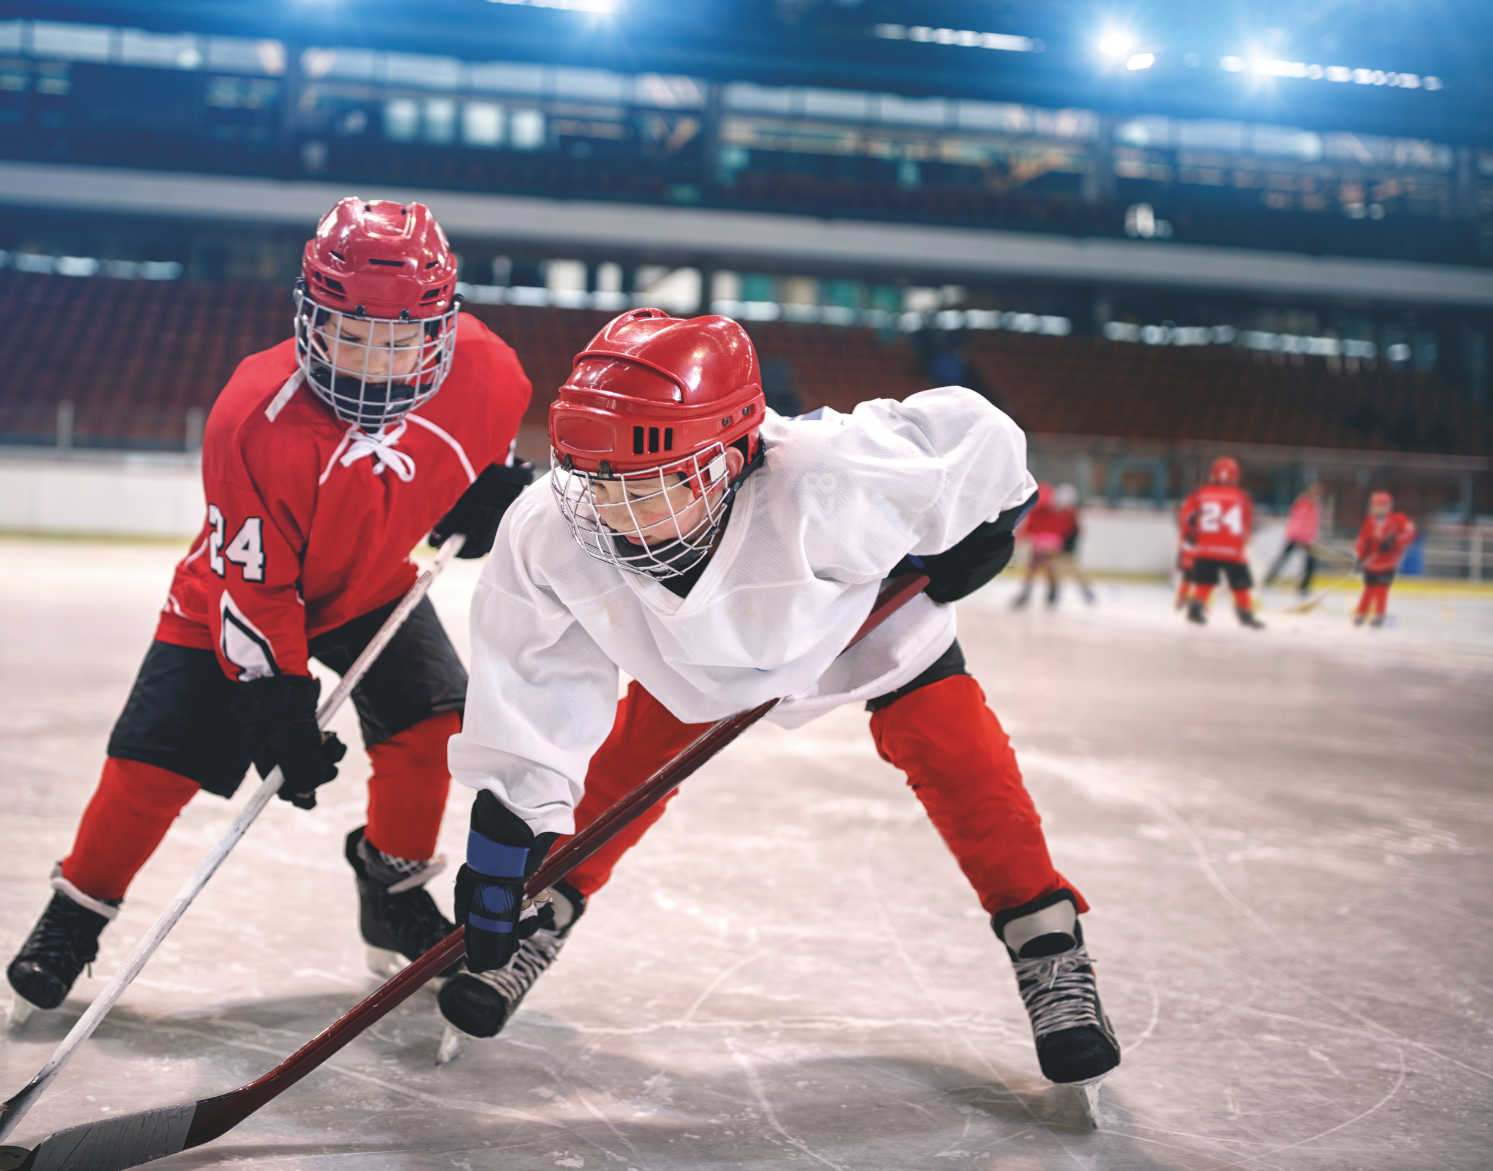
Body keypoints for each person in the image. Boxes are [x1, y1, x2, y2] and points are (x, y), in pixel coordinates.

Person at [440, 310, 1121, 1095]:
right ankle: (545, 913)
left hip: (857, 628)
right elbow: (531, 688)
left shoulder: (834, 475)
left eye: (648, 487)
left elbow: (982, 437)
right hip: (695, 660)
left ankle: (1047, 943)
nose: (614, 515)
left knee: (960, 757)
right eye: (598, 481)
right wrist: (506, 847)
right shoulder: (552, 528)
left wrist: (992, 523)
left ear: (728, 460)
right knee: (622, 767)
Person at [3, 198, 534, 1012]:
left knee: (433, 724)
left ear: (439, 330)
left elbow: (477, 462)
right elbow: (255, 585)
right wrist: (277, 701)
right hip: (234, 595)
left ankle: (390, 889)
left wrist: (480, 495)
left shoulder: (493, 376)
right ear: (310, 319)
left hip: (370, 584)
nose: (372, 364)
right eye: (349, 335)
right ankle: (74, 911)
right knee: (154, 764)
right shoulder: (254, 415)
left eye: (397, 341)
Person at [1177, 456, 1264, 629]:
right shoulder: (1241, 497)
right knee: (1240, 584)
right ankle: (1245, 614)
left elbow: (1186, 518)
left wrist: (1192, 534)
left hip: (1205, 547)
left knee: (1205, 582)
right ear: (1235, 475)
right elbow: (1246, 524)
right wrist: (1242, 542)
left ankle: (1195, 608)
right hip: (1232, 550)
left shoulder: (1201, 494)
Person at [1011, 482, 1083, 609]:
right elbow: (1067, 529)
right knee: (1046, 568)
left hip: (1044, 546)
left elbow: (1028, 530)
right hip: (1049, 546)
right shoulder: (1057, 513)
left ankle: (1031, 593)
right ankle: (1050, 594)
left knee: (1036, 568)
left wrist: (1017, 542)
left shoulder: (1050, 514)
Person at [1353, 490, 1416, 628]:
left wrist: (1395, 540)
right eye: (1376, 505)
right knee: (1369, 588)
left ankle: (1379, 615)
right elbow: (1362, 541)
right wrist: (1360, 558)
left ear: (1388, 506)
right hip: (1372, 562)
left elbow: (1410, 533)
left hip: (1389, 562)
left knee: (1381, 587)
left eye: (1383, 505)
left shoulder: (1398, 519)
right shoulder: (1369, 521)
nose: (1379, 508)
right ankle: (1361, 613)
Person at [1265, 481, 1323, 596]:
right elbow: (1298, 521)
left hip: (1307, 539)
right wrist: (1300, 537)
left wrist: (1312, 538)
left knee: (1309, 564)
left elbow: (1314, 524)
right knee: (1284, 558)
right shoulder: (1302, 503)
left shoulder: (1315, 504)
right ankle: (1268, 580)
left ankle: (1304, 587)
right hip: (1297, 537)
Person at [1053, 483, 1096, 604]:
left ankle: (1086, 592)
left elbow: (1076, 531)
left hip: (1068, 548)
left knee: (1073, 571)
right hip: (1062, 548)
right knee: (1058, 572)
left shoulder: (1071, 514)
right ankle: (1054, 594)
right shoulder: (1065, 514)